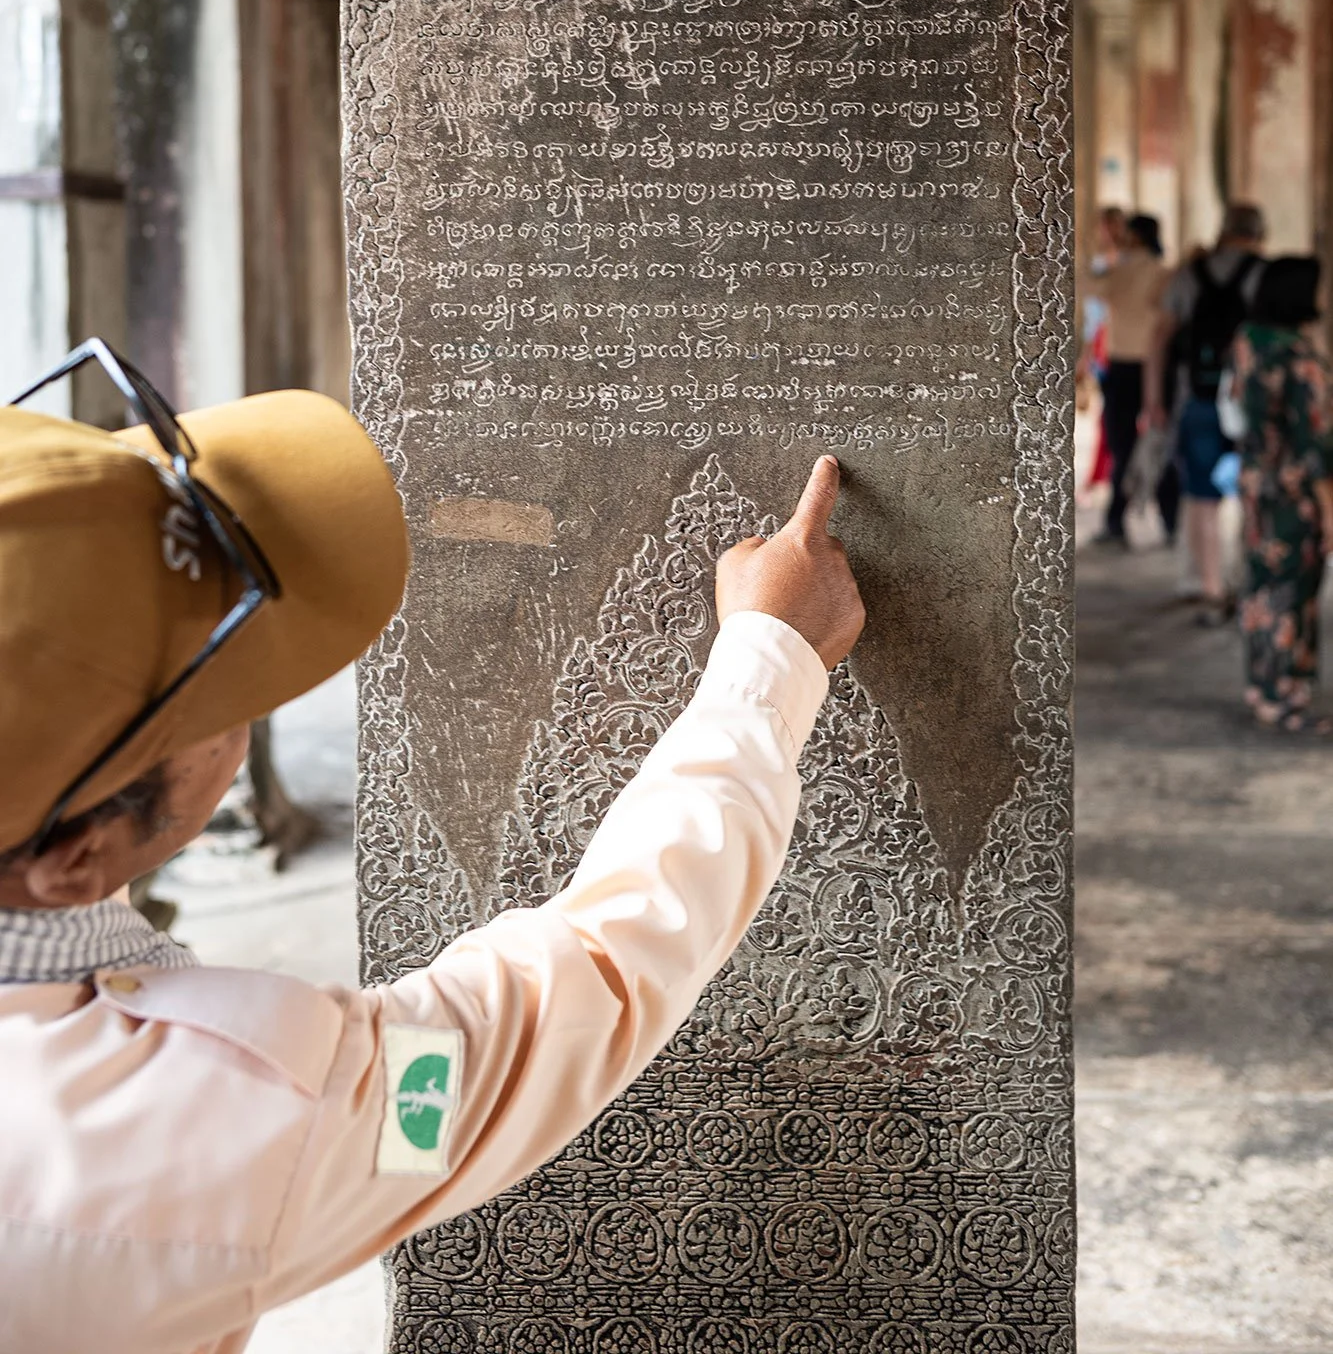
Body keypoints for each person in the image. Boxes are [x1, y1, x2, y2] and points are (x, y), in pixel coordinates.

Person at [0, 338, 865, 1353]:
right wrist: (765, 662)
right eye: (223, 697)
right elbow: (579, 990)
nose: (249, 714)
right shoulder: (217, 1121)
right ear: (73, 858)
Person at [1147, 204, 1266, 623]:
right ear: (1259, 233)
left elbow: (1159, 338)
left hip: (1196, 396)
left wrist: (1153, 399)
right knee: (1256, 490)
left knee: (1202, 495)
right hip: (1251, 402)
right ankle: (1250, 581)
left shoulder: (1189, 274)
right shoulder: (1264, 275)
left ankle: (1212, 588)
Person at [1231, 257, 1333, 733]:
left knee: (1260, 584)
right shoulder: (1301, 359)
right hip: (1294, 492)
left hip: (1256, 480)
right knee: (1294, 590)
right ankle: (1285, 696)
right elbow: (1315, 447)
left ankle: (1261, 686)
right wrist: (1330, 511)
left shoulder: (1249, 342)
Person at [1085, 210, 1172, 543]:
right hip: (1157, 366)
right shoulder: (1163, 273)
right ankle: (1171, 520)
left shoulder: (1117, 272)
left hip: (1122, 368)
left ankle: (1115, 522)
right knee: (1162, 443)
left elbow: (1085, 284)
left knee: (1123, 447)